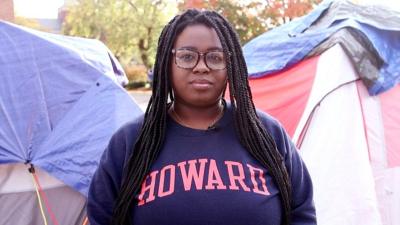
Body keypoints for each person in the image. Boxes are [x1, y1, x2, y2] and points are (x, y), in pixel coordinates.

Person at [87, 9, 316, 225]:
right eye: (187, 57)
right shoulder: (130, 141)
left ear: (231, 65)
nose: (201, 67)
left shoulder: (267, 134)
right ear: (168, 64)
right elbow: (102, 217)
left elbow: (301, 213)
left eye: (215, 58)